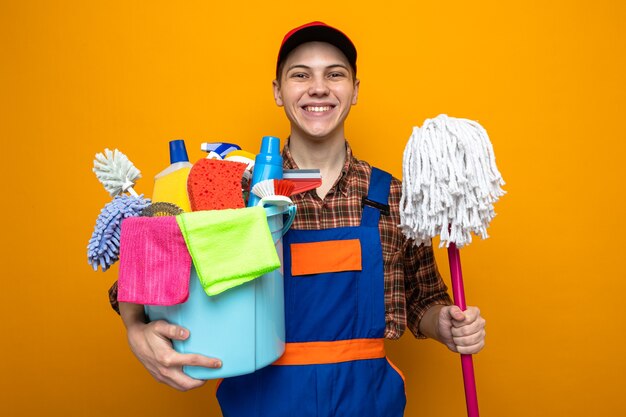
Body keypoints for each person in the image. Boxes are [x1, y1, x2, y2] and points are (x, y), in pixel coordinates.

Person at [114, 21, 486, 416]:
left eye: (335, 74)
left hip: (368, 404)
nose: (319, 87)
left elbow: (422, 299)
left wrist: (444, 322)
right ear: (278, 91)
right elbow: (145, 278)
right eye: (300, 75)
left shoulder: (394, 197)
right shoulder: (236, 192)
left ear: (355, 91)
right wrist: (137, 331)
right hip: (262, 402)